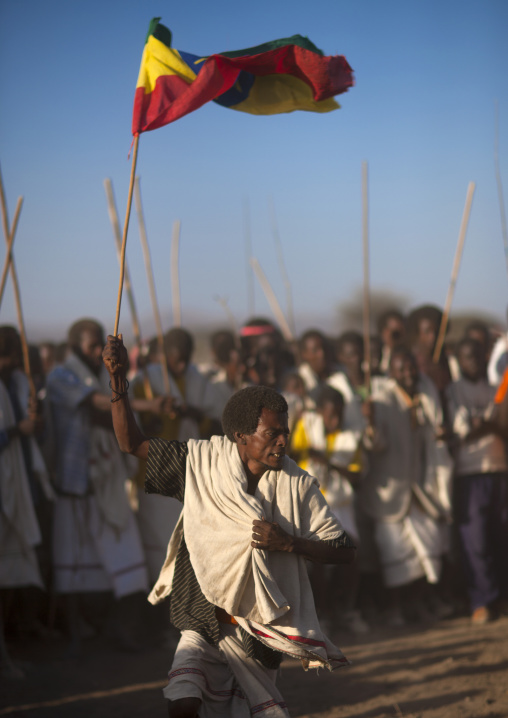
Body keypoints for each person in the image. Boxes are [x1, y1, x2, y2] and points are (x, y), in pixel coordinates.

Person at [103, 334, 356, 718]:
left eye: (285, 431)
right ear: (241, 436)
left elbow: (344, 550)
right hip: (202, 618)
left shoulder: (298, 484)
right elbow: (131, 443)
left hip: (260, 631)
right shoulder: (200, 462)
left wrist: (290, 543)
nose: (284, 441)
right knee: (183, 701)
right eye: (273, 433)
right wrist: (119, 383)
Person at [45, 319, 165, 654]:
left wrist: (142, 411)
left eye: (100, 344)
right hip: (75, 482)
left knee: (126, 559)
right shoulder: (61, 377)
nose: (97, 350)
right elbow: (99, 406)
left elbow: (115, 412)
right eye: (90, 345)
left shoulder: (105, 375)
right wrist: (142, 405)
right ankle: (75, 636)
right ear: (73, 347)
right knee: (73, 565)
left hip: (108, 482)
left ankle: (122, 630)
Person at [359, 346, 453, 626]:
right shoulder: (383, 402)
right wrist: (371, 422)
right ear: (392, 373)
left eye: (411, 367)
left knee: (428, 546)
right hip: (390, 493)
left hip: (420, 490)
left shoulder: (425, 396)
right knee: (395, 553)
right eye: (402, 369)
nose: (408, 373)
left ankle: (416, 604)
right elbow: (374, 445)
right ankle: (395, 609)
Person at [446, 338, 508, 624]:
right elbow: (463, 431)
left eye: (477, 356)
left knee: (500, 537)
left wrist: (487, 424)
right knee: (476, 541)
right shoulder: (453, 391)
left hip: (499, 468)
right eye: (466, 357)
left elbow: (496, 424)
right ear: (458, 359)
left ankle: (499, 597)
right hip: (469, 474)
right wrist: (490, 424)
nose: (473, 362)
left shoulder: (497, 386)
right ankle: (481, 600)